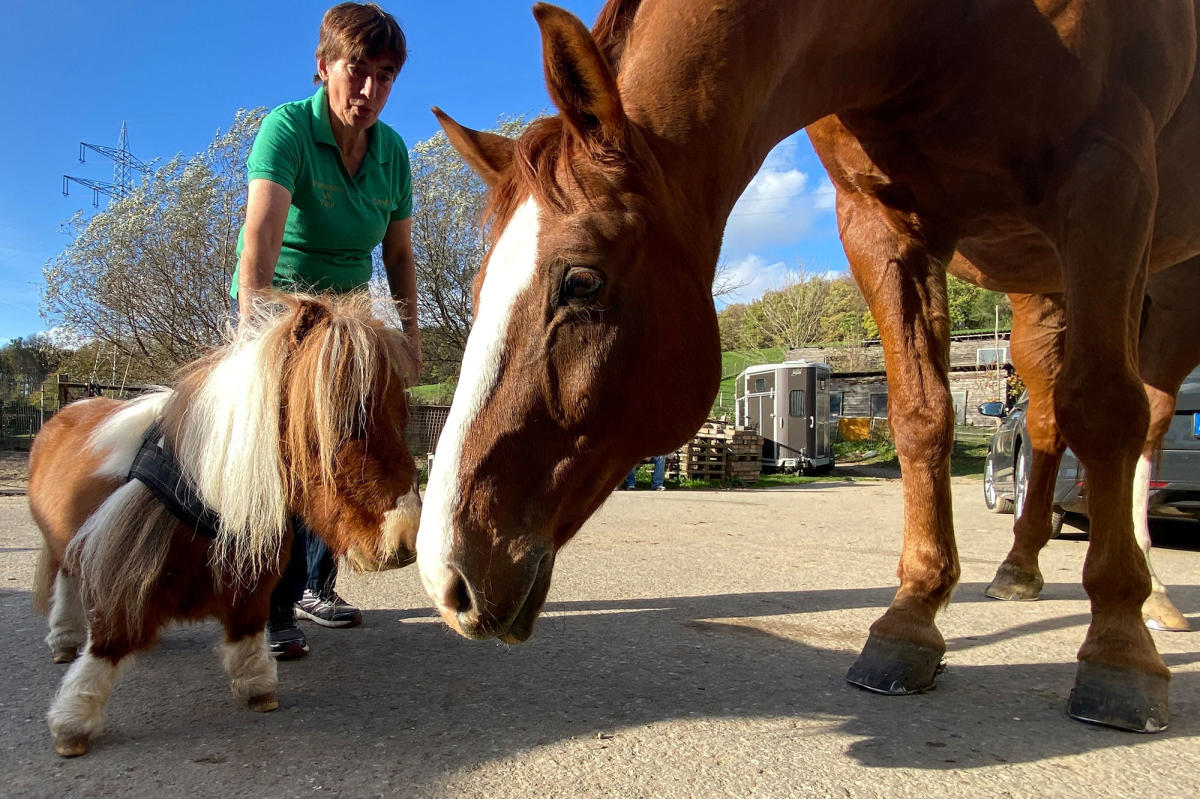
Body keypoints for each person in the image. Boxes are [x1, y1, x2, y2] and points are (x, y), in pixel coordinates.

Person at [230, 2, 420, 659]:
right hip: (283, 308)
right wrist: (257, 338)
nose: (369, 91)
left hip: (348, 316)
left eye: (386, 76)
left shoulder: (392, 152)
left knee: (355, 441)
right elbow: (260, 237)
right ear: (323, 67)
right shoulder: (285, 130)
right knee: (290, 455)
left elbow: (397, 257)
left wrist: (410, 334)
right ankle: (269, 603)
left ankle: (317, 583)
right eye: (357, 71)